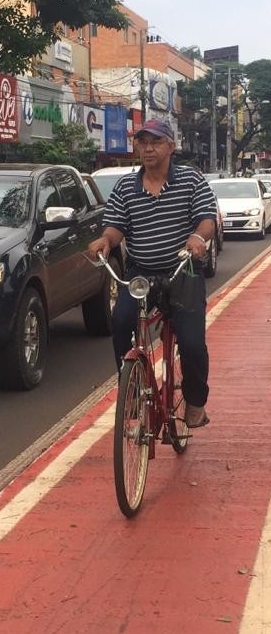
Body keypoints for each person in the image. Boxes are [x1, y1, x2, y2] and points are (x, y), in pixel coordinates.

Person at [87, 119, 218, 429]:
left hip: (182, 271)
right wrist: (105, 240)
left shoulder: (191, 180)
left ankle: (196, 403)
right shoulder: (126, 187)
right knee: (120, 322)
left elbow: (206, 221)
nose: (148, 148)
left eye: (156, 142)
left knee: (191, 343)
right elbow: (116, 227)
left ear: (170, 147)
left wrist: (198, 239)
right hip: (141, 273)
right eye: (142, 141)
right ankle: (132, 391)